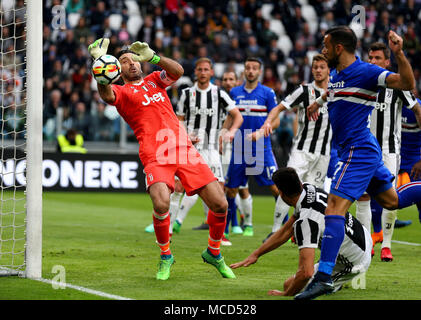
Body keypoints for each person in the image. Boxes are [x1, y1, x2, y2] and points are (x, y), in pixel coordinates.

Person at [87, 38, 236, 280]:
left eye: (134, 60)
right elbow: (106, 95)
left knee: (220, 204)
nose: (132, 64)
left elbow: (177, 71)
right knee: (161, 204)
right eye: (125, 62)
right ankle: (166, 256)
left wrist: (153, 56)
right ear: (118, 70)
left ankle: (214, 252)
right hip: (155, 154)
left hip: (183, 149)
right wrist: (99, 65)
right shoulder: (121, 92)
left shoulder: (155, 80)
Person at [298, 26, 421, 300]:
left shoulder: (367, 71)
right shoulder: (337, 75)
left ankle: (324, 277)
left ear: (338, 48)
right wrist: (316, 102)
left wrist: (399, 53)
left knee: (333, 208)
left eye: (326, 45)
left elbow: (407, 83)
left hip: (358, 151)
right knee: (391, 201)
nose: (322, 50)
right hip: (364, 149)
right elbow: (333, 93)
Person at [230, 167, 372, 297]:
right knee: (298, 280)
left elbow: (306, 273)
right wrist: (256, 254)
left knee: (291, 284)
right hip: (363, 236)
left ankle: (334, 283)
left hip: (354, 262)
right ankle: (335, 281)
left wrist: (286, 293)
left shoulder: (306, 221)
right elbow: (286, 231)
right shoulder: (308, 189)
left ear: (281, 193)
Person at [355, 42, 421, 261]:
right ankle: (366, 244)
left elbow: (417, 109)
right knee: (362, 197)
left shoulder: (397, 85)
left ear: (387, 61)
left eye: (376, 58)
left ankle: (387, 244)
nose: (372, 61)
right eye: (370, 57)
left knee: (390, 197)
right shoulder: (363, 81)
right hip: (364, 149)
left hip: (389, 150)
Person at [260, 54, 332, 242]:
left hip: (323, 153)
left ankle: (305, 232)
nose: (317, 70)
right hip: (302, 150)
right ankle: (275, 231)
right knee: (288, 188)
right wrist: (268, 122)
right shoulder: (304, 91)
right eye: (315, 67)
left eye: (321, 67)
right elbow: (278, 108)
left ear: (328, 70)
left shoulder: (335, 93)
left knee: (313, 195)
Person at [171, 58, 243, 239]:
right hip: (191, 149)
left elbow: (237, 116)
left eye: (206, 69)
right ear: (195, 72)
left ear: (211, 72)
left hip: (211, 149)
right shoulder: (187, 94)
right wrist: (185, 137)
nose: (203, 72)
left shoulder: (219, 93)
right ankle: (169, 229)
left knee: (218, 192)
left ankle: (219, 235)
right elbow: (178, 120)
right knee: (178, 187)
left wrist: (230, 132)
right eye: (200, 69)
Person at [225, 57, 280, 238]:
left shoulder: (267, 93)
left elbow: (276, 120)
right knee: (231, 188)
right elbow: (230, 117)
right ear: (244, 71)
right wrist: (222, 133)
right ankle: (227, 229)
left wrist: (262, 131)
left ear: (259, 71)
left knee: (275, 187)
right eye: (248, 67)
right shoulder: (234, 92)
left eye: (254, 68)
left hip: (261, 148)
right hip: (239, 148)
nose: (250, 71)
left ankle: (283, 226)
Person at [398, 98, 421, 222]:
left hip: (415, 158)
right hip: (394, 154)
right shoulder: (389, 105)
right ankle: (379, 232)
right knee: (382, 193)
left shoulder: (417, 108)